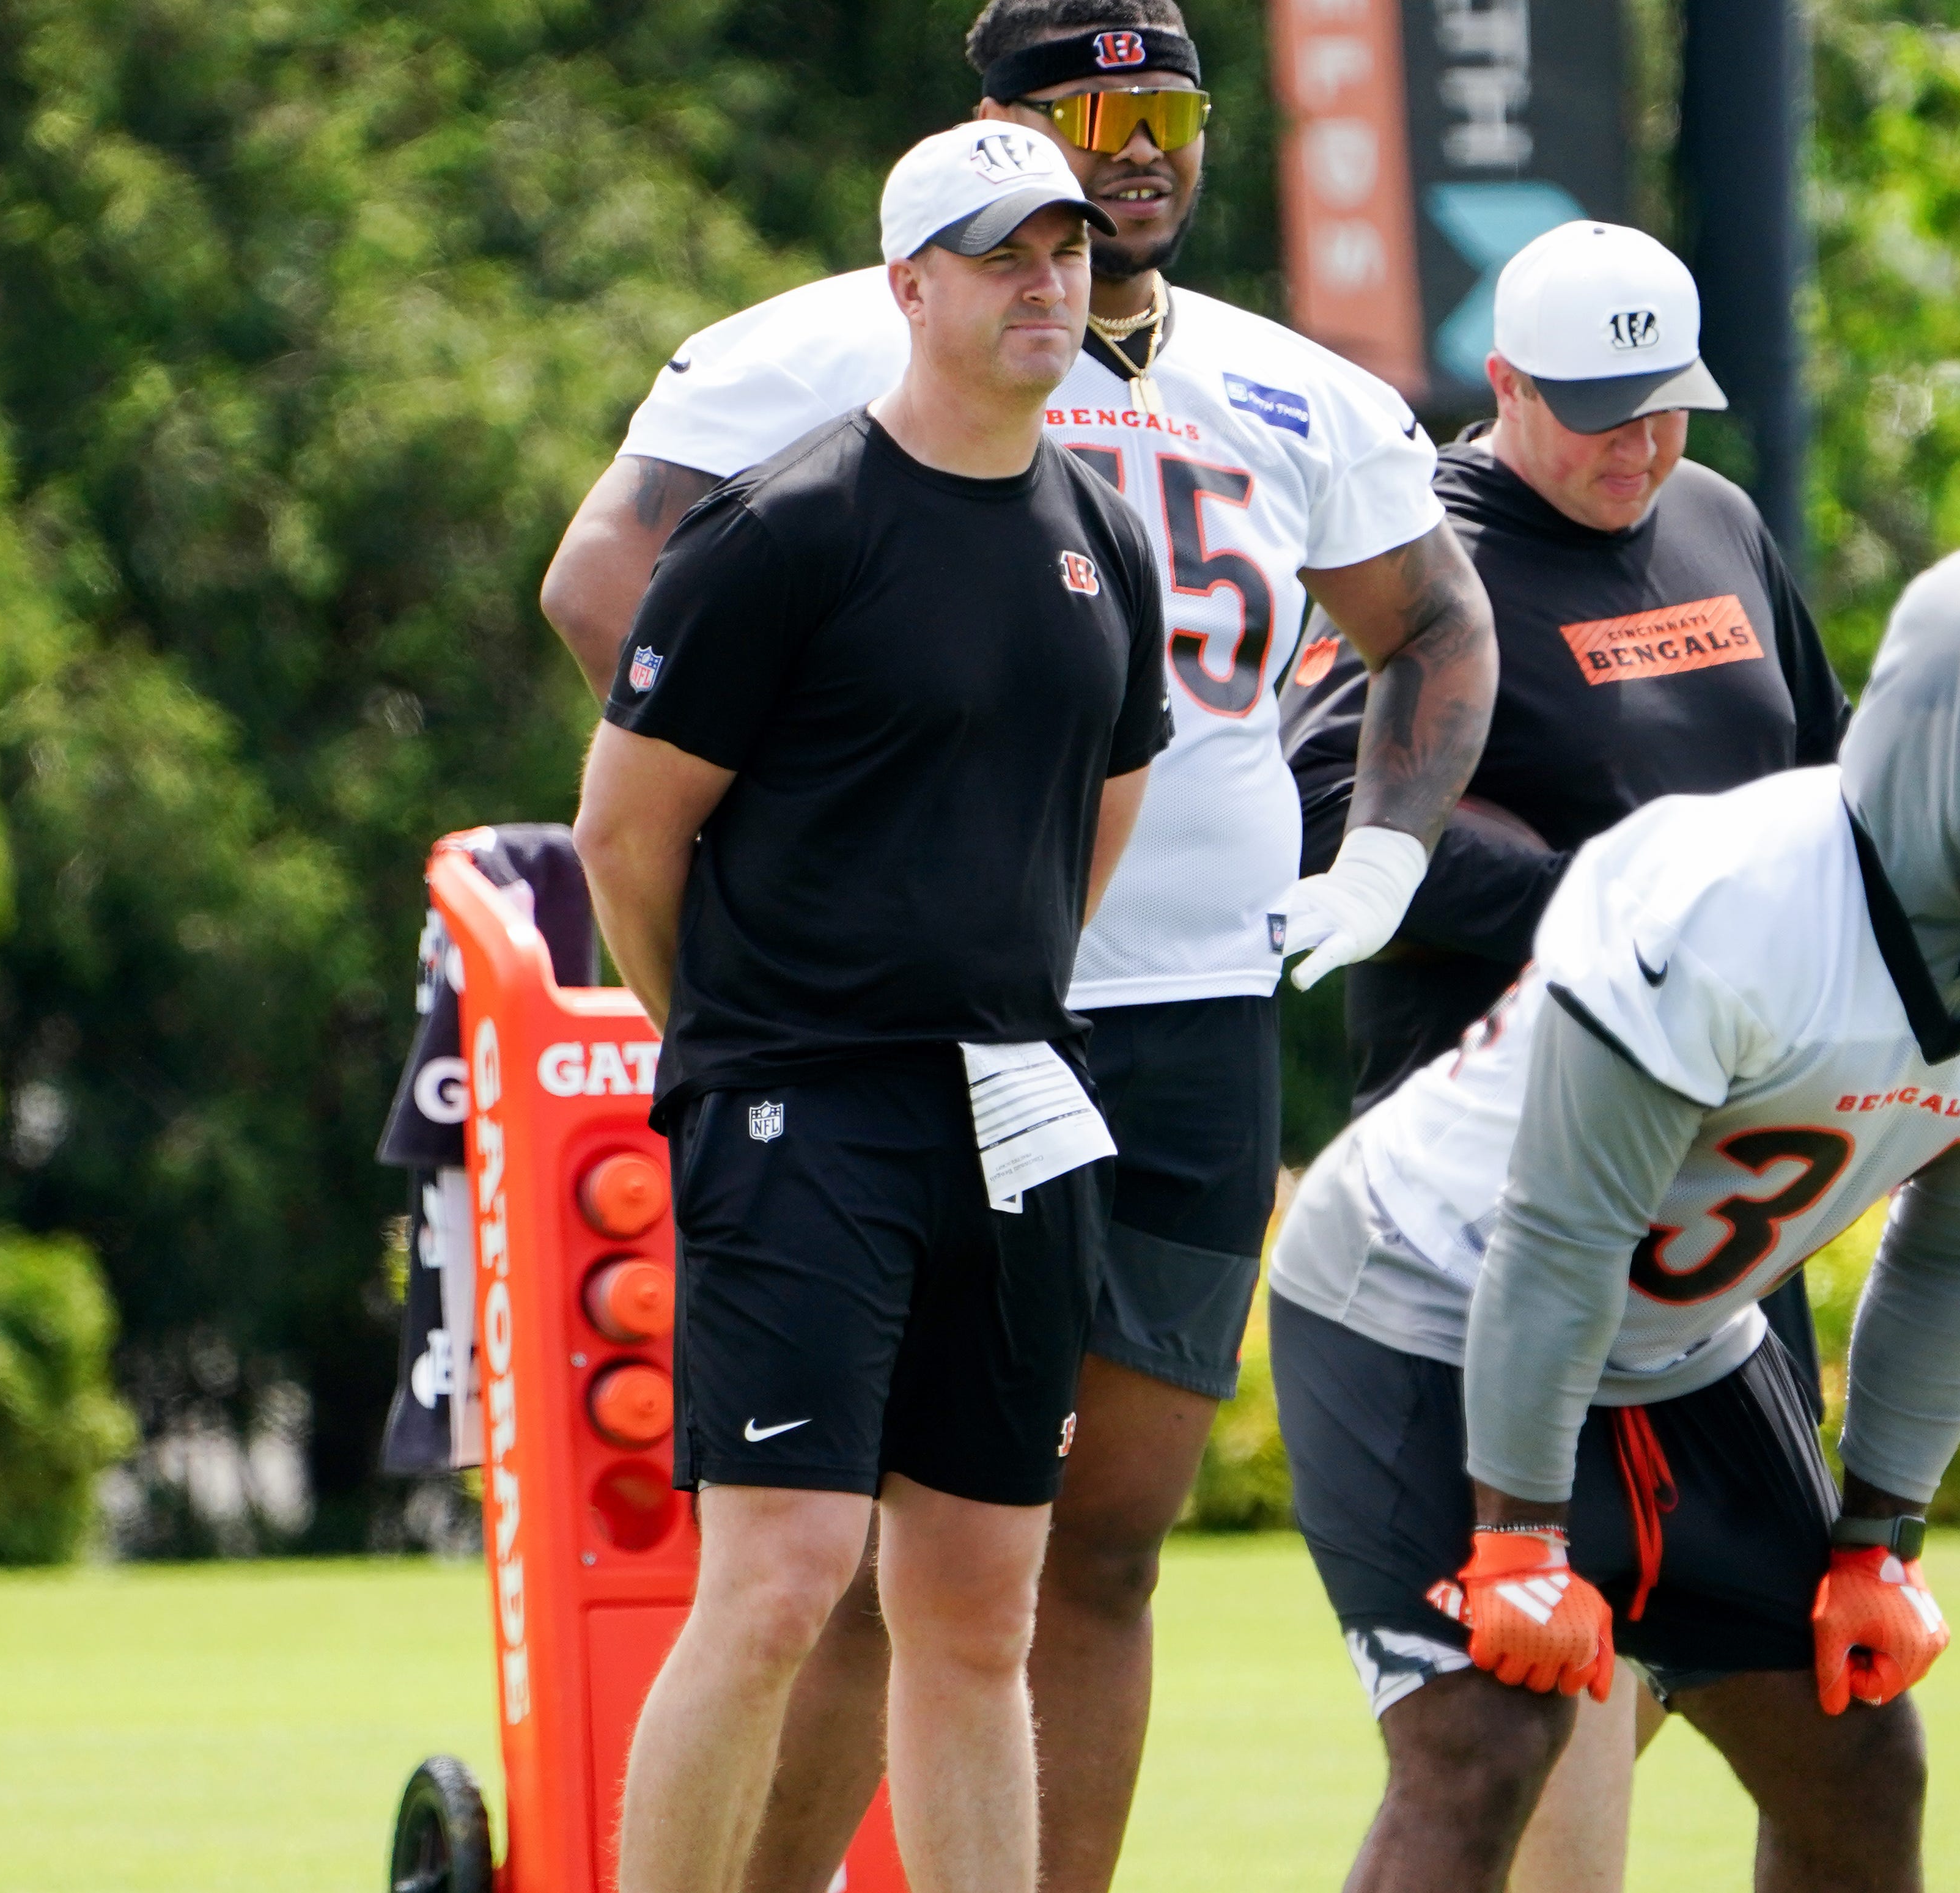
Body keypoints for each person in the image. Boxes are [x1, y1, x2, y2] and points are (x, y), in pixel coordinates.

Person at [538, 4, 1496, 1887]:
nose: (1132, 150)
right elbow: (607, 600)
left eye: (1168, 110)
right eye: (1087, 114)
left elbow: (1432, 629)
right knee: (838, 1566)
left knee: (1084, 1544)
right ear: (992, 135)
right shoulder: (831, 350)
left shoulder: (1282, 387)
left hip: (1166, 1015)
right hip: (860, 1043)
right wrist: (799, 870)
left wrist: (1377, 855)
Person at [1269, 541, 1960, 1893]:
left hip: (1680, 1338)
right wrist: (1520, 1533)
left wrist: (1880, 1533)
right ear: (1947, 741)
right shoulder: (1738, 898)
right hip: (1421, 1294)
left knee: (1858, 1748)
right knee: (1487, 1734)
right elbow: (1563, 1231)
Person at [570, 123, 1168, 1893]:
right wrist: (734, 1043)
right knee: (779, 1577)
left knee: (980, 1612)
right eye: (1000, 253)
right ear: (908, 288)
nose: (1045, 279)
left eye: (1062, 248)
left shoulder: (1101, 540)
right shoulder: (791, 523)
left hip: (1015, 1111)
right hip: (798, 1107)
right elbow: (626, 829)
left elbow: (1094, 824)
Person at [1278, 216, 1847, 1889]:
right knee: (1546, 1641)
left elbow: (1824, 793)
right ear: (1502, 383)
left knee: (1757, 1646)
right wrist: (1620, 909)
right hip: (1494, 1190)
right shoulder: (1420, 555)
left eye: (1665, 404)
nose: (1640, 445)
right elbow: (1335, 805)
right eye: (1596, 409)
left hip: (1725, 1183)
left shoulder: (1719, 525)